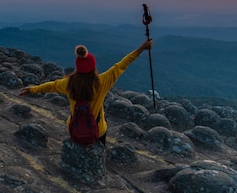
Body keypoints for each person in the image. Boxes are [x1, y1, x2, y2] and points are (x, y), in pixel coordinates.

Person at [18, 39, 154, 145]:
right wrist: (142, 48)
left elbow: (50, 86)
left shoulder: (68, 83)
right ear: (93, 67)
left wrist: (31, 89)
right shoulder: (101, 82)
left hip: (75, 130)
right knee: (102, 130)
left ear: (77, 67)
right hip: (98, 131)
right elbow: (122, 64)